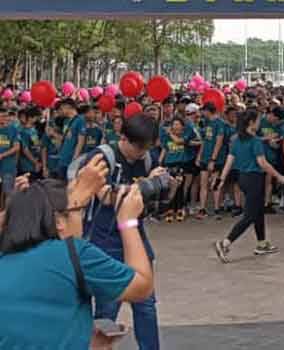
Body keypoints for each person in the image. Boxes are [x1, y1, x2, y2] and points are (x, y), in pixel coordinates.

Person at [0, 159, 154, 350]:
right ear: (59, 222)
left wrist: (80, 337)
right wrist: (128, 221)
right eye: (78, 212)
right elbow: (142, 286)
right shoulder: (72, 253)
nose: (80, 220)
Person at [82, 113, 174, 350]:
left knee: (145, 304)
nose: (143, 152)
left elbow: (154, 199)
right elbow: (104, 195)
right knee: (107, 308)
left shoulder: (145, 159)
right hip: (104, 241)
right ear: (124, 137)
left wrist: (165, 186)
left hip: (135, 236)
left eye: (148, 147)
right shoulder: (103, 157)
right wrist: (145, 185)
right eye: (139, 147)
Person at [214, 110, 284, 262]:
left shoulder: (236, 140)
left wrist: (221, 179)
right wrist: (279, 176)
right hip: (255, 179)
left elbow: (229, 161)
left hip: (243, 179)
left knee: (258, 211)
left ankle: (262, 243)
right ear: (251, 123)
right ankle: (225, 243)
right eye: (258, 120)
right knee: (249, 216)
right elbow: (263, 163)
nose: (260, 122)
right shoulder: (255, 141)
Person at [195, 102, 229, 219]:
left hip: (217, 159)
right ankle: (202, 209)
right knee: (203, 184)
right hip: (205, 157)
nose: (202, 113)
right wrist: (199, 156)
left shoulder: (220, 124)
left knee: (215, 184)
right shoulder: (207, 123)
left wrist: (213, 159)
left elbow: (219, 141)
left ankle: (216, 209)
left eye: (203, 111)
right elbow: (205, 140)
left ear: (208, 111)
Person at [0, 109, 22, 206]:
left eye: (5, 116)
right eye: (1, 116)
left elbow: (17, 147)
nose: (4, 118)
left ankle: (6, 214)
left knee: (8, 191)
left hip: (8, 167)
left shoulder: (13, 129)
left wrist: (2, 155)